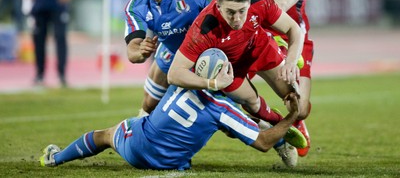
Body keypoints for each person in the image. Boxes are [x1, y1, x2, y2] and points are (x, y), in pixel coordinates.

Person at [40, 84, 303, 169]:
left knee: (105, 135)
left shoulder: (179, 78)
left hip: (136, 147)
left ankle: (55, 158)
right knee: (227, 125)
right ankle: (283, 143)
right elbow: (262, 142)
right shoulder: (224, 108)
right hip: (169, 163)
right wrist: (291, 117)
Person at [168, 0, 304, 133]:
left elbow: (294, 29)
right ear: (218, 6)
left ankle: (284, 52)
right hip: (230, 68)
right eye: (230, 12)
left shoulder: (260, 2)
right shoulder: (203, 29)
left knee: (293, 98)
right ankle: (281, 127)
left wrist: (291, 62)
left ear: (249, 2)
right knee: (252, 103)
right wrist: (212, 84)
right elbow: (174, 74)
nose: (237, 19)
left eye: (242, 11)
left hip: (260, 48)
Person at [231, 0, 313, 156]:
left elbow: (278, 8)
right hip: (255, 39)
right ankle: (271, 123)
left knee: (300, 106)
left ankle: (296, 120)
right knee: (233, 91)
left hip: (292, 39)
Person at [124, 0, 216, 116]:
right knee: (149, 105)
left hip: (207, 52)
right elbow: (132, 51)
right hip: (171, 51)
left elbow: (225, 7)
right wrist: (141, 51)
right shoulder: (135, 6)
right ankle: (138, 136)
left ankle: (275, 133)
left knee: (228, 107)